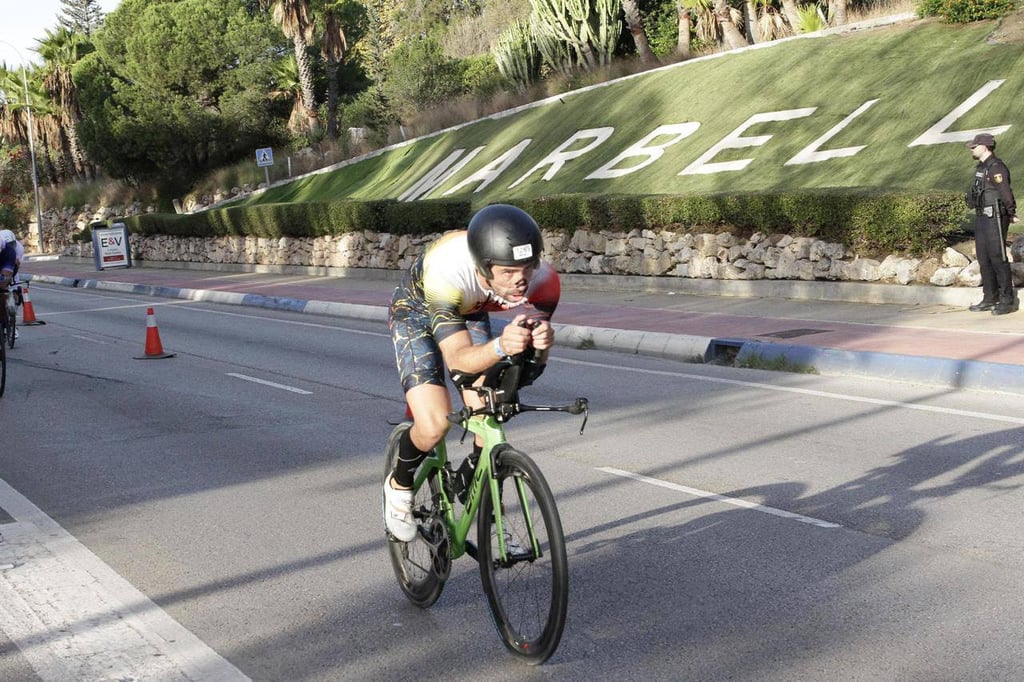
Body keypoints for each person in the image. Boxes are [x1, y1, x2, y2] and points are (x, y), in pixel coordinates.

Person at [384, 204, 561, 542]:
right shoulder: (448, 272)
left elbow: (527, 374)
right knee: (434, 424)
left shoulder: (545, 282)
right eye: (508, 272)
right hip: (420, 310)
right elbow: (460, 361)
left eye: (527, 267)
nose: (520, 279)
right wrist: (500, 348)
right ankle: (399, 484)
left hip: (469, 310)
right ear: (483, 268)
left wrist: (541, 346)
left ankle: (473, 483)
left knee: (490, 403)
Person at [966, 133, 1019, 315]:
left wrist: (1011, 212)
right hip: (982, 217)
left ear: (985, 146)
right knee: (984, 258)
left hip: (995, 216)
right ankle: (990, 297)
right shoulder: (982, 167)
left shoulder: (996, 167)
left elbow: (1005, 192)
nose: (972, 149)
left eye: (974, 146)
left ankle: (1007, 300)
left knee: (998, 257)